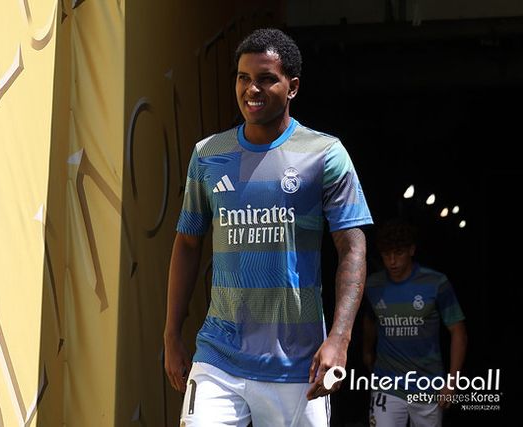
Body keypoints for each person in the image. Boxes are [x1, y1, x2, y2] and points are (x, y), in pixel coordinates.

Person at [164, 27, 373, 427]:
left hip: (299, 364)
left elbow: (353, 248)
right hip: (219, 357)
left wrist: (340, 339)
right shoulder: (208, 154)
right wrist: (171, 335)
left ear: (292, 87)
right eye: (243, 78)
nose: (251, 89)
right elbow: (188, 243)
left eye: (265, 79)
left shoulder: (325, 154)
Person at [362, 218, 468, 427]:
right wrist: (366, 352)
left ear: (412, 250)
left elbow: (458, 332)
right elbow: (369, 319)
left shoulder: (436, 283)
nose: (392, 261)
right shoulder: (373, 285)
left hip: (427, 384)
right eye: (386, 254)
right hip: (387, 384)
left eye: (398, 253)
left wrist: (452, 381)